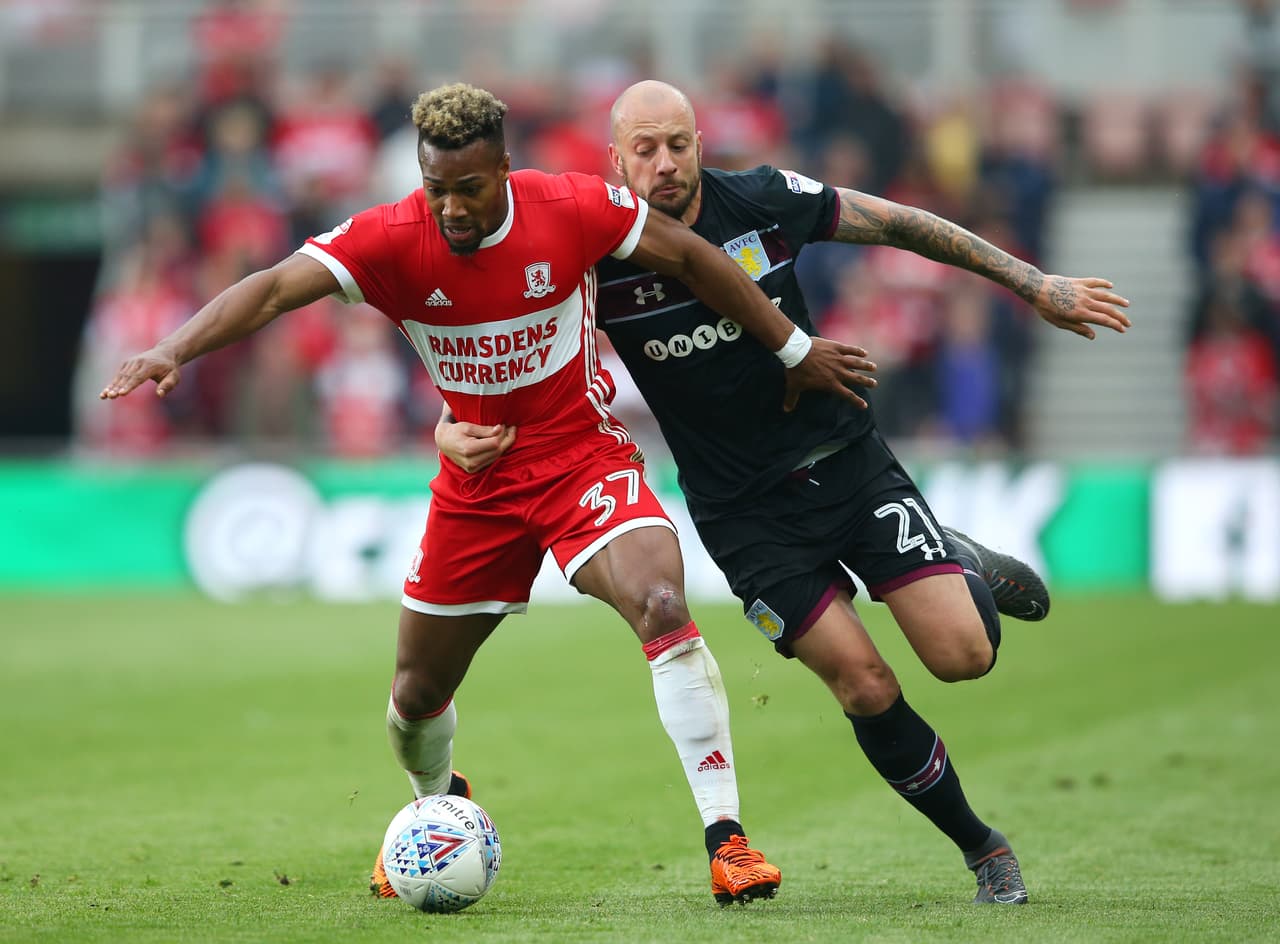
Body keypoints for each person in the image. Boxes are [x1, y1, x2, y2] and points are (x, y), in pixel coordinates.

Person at [100, 83, 878, 905]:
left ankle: (729, 840)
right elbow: (269, 289)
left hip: (580, 459)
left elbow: (690, 256)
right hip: (475, 486)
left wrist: (792, 348)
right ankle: (437, 809)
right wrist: (171, 349)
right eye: (437, 189)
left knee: (659, 599)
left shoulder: (570, 206)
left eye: (469, 188)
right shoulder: (390, 237)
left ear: (504, 170)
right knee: (415, 698)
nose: (452, 208)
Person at [435, 80, 1132, 905]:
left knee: (964, 656)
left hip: (843, 460)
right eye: (646, 151)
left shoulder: (762, 200)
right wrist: (449, 426)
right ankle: (985, 850)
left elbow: (902, 224)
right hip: (743, 516)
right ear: (615, 161)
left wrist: (1032, 283)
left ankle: (955, 555)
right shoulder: (594, 254)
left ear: (700, 142)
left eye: (679, 145)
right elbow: (500, 338)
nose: (666, 165)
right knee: (864, 686)